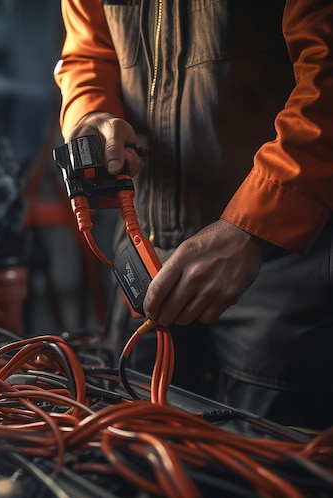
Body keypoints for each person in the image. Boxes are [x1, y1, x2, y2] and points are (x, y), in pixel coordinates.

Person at [54, 0, 333, 429]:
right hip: (147, 251)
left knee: (277, 471)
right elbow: (88, 52)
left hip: (284, 261)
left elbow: (325, 82)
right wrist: (91, 111)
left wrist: (253, 226)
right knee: (134, 454)